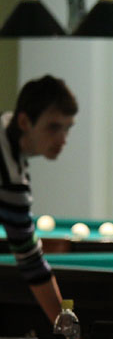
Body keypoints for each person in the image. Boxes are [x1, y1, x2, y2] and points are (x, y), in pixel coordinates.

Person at [0, 75, 78, 323]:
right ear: (24, 121)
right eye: (53, 127)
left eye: (67, 128)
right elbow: (31, 262)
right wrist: (67, 330)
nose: (63, 139)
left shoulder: (6, 127)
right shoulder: (10, 178)